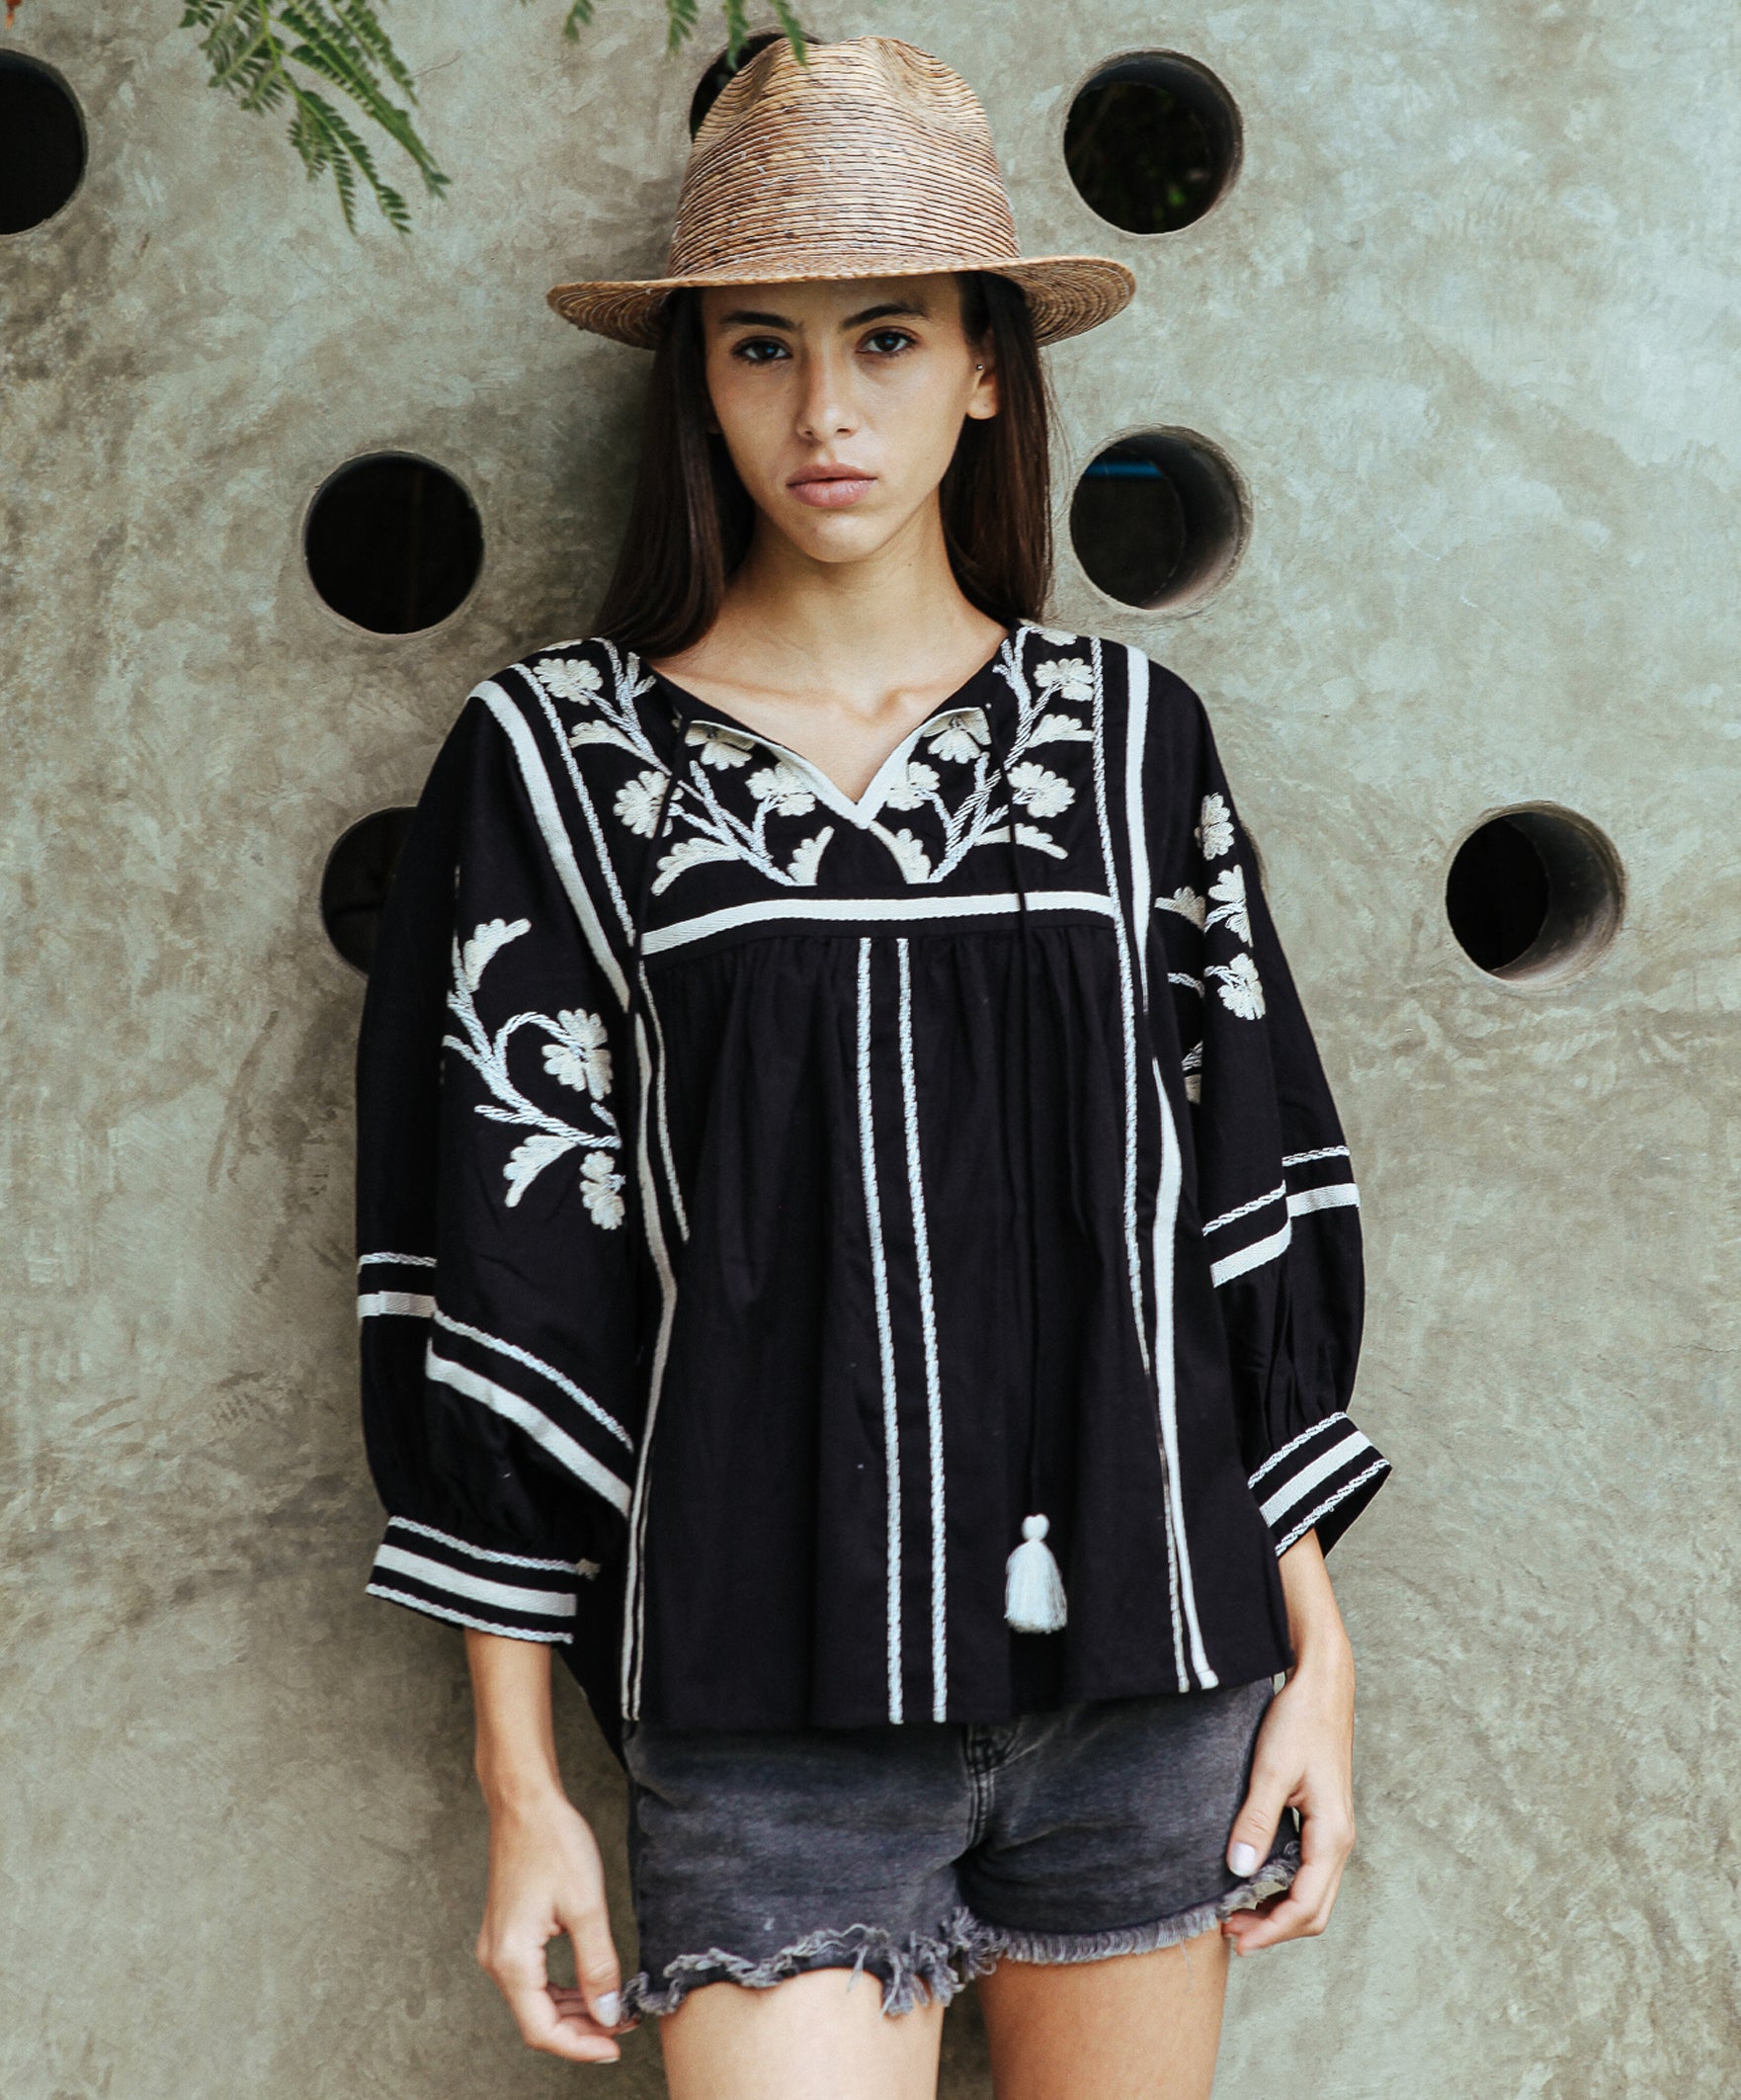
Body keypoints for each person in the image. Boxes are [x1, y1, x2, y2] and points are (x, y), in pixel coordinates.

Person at [354, 36, 1391, 2100]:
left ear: (988, 367)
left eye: (888, 338)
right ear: (698, 380)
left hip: (1150, 1679)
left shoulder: (1127, 747)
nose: (822, 412)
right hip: (760, 1707)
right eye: (758, 348)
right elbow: (500, 1280)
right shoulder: (559, 768)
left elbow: (1236, 1210)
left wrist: (1320, 1661)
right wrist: (519, 1781)